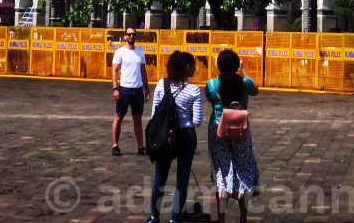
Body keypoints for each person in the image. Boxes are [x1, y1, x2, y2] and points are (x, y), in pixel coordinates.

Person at [204, 49, 260, 223]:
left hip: (217, 127)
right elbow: (255, 90)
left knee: (222, 170)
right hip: (240, 128)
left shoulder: (211, 84)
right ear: (236, 65)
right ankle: (243, 216)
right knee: (242, 170)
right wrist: (242, 69)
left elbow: (211, 100)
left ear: (219, 66)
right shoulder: (245, 83)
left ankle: (221, 218)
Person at [146, 50, 203, 223]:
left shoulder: (161, 85)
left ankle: (154, 217)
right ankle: (174, 219)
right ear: (186, 67)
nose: (195, 68)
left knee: (160, 178)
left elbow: (154, 114)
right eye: (193, 65)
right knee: (182, 180)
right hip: (185, 134)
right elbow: (198, 120)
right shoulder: (194, 90)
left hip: (164, 135)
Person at [111, 28, 150, 155]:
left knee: (138, 118)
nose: (131, 36)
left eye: (133, 34)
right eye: (129, 34)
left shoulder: (140, 52)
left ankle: (140, 146)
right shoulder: (120, 52)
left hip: (137, 89)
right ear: (125, 36)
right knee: (119, 116)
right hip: (124, 88)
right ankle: (115, 144)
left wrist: (147, 89)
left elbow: (143, 72)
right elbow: (115, 71)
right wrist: (115, 88)